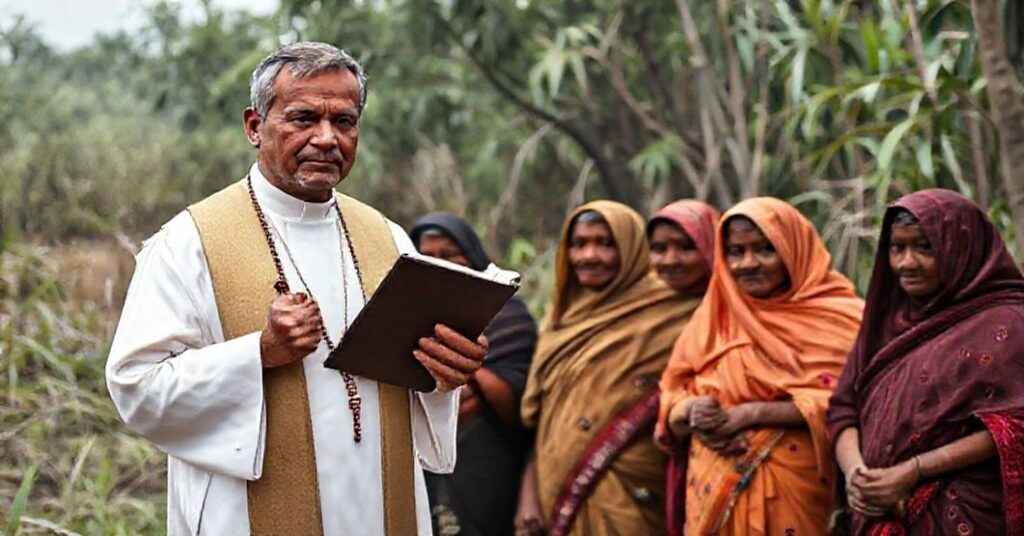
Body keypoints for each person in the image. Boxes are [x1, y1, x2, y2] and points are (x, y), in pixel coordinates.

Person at [105, 43, 488, 535]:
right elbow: (136, 386)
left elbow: (413, 375)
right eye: (303, 118)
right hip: (246, 513)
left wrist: (443, 370)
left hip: (377, 502)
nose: (327, 138)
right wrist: (257, 353)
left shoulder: (388, 238)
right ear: (254, 126)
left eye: (345, 122)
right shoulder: (189, 242)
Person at [656, 197, 864, 535]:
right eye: (736, 252)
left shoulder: (842, 318)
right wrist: (693, 411)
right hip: (711, 491)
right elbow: (671, 397)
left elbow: (855, 404)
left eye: (765, 249)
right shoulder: (713, 318)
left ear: (793, 248)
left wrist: (752, 414)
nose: (748, 263)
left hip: (801, 491)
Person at [828, 189, 1024, 535]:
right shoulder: (885, 323)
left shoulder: (1007, 322)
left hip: (965, 515)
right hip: (877, 511)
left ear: (962, 248)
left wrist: (912, 472)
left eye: (924, 247)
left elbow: (1014, 423)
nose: (907, 262)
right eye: (896, 248)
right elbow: (844, 407)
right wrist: (858, 475)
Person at [515, 201, 695, 536]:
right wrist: (528, 495)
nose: (589, 256)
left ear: (631, 247)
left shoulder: (676, 309)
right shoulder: (561, 318)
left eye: (605, 243)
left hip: (631, 491)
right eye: (579, 244)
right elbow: (542, 421)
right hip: (550, 488)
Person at [409, 212, 538, 536]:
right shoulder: (403, 314)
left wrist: (466, 367)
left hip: (488, 458)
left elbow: (522, 406)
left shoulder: (508, 315)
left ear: (472, 256)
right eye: (428, 257)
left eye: (451, 255)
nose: (441, 265)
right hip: (420, 457)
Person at [647, 199, 719, 296]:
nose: (670, 261)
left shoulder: (735, 305)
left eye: (685, 248)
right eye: (659, 249)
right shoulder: (644, 303)